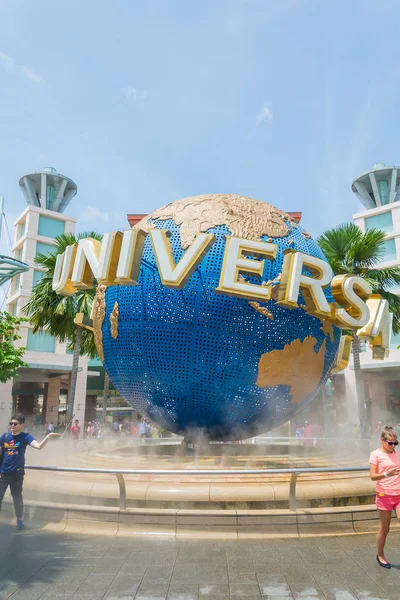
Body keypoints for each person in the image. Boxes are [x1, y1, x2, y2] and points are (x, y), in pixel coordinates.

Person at [0, 413, 58, 530]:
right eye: (11, 423)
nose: (12, 425)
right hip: (3, 473)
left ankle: (20, 519)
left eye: (15, 424)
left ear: (21, 425)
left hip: (17, 474)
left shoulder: (25, 437)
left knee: (17, 497)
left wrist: (47, 438)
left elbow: (38, 446)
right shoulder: (5, 437)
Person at [370, 425, 400, 568]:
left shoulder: (398, 453)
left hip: (399, 494)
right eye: (390, 443)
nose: (393, 446)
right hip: (384, 495)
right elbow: (372, 476)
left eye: (395, 443)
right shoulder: (375, 454)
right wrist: (387, 474)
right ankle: (380, 555)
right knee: (385, 528)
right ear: (382, 440)